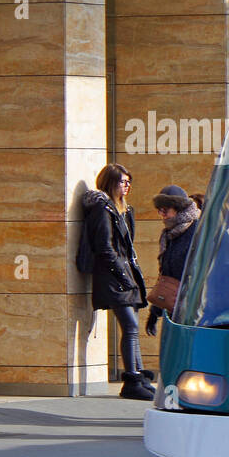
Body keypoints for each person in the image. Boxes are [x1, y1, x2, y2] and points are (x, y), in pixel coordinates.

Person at [81, 164, 152, 400]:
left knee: (132, 326)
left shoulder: (123, 209)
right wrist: (121, 273)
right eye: (123, 181)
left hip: (124, 273)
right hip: (113, 275)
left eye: (129, 181)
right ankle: (131, 380)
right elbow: (104, 246)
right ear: (111, 182)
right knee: (130, 326)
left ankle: (138, 376)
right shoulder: (103, 209)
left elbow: (127, 245)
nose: (127, 185)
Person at [145, 185, 201, 338]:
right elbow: (166, 275)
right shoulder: (169, 234)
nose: (162, 215)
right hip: (175, 306)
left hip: (193, 307)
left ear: (178, 208)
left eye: (165, 210)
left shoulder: (197, 230)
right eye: (159, 211)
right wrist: (155, 311)